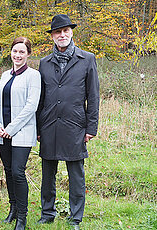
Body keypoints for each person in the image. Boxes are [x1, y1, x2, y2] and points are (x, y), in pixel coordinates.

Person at [36, 14, 100, 230]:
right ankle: (47, 213)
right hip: (48, 125)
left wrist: (91, 128)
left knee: (76, 175)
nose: (62, 35)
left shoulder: (87, 59)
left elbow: (93, 96)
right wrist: (37, 127)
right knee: (47, 174)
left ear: (71, 32)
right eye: (57, 32)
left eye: (65, 31)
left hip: (75, 125)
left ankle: (76, 217)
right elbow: (40, 98)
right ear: (52, 36)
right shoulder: (44, 63)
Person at [0, 37, 41, 230]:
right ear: (10, 52)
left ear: (28, 54)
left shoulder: (33, 76)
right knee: (8, 172)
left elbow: (31, 106)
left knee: (17, 172)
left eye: (22, 52)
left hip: (21, 133)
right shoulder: (5, 75)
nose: (18, 55)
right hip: (1, 132)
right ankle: (12, 209)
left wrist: (11, 129)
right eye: (15, 51)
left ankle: (22, 216)